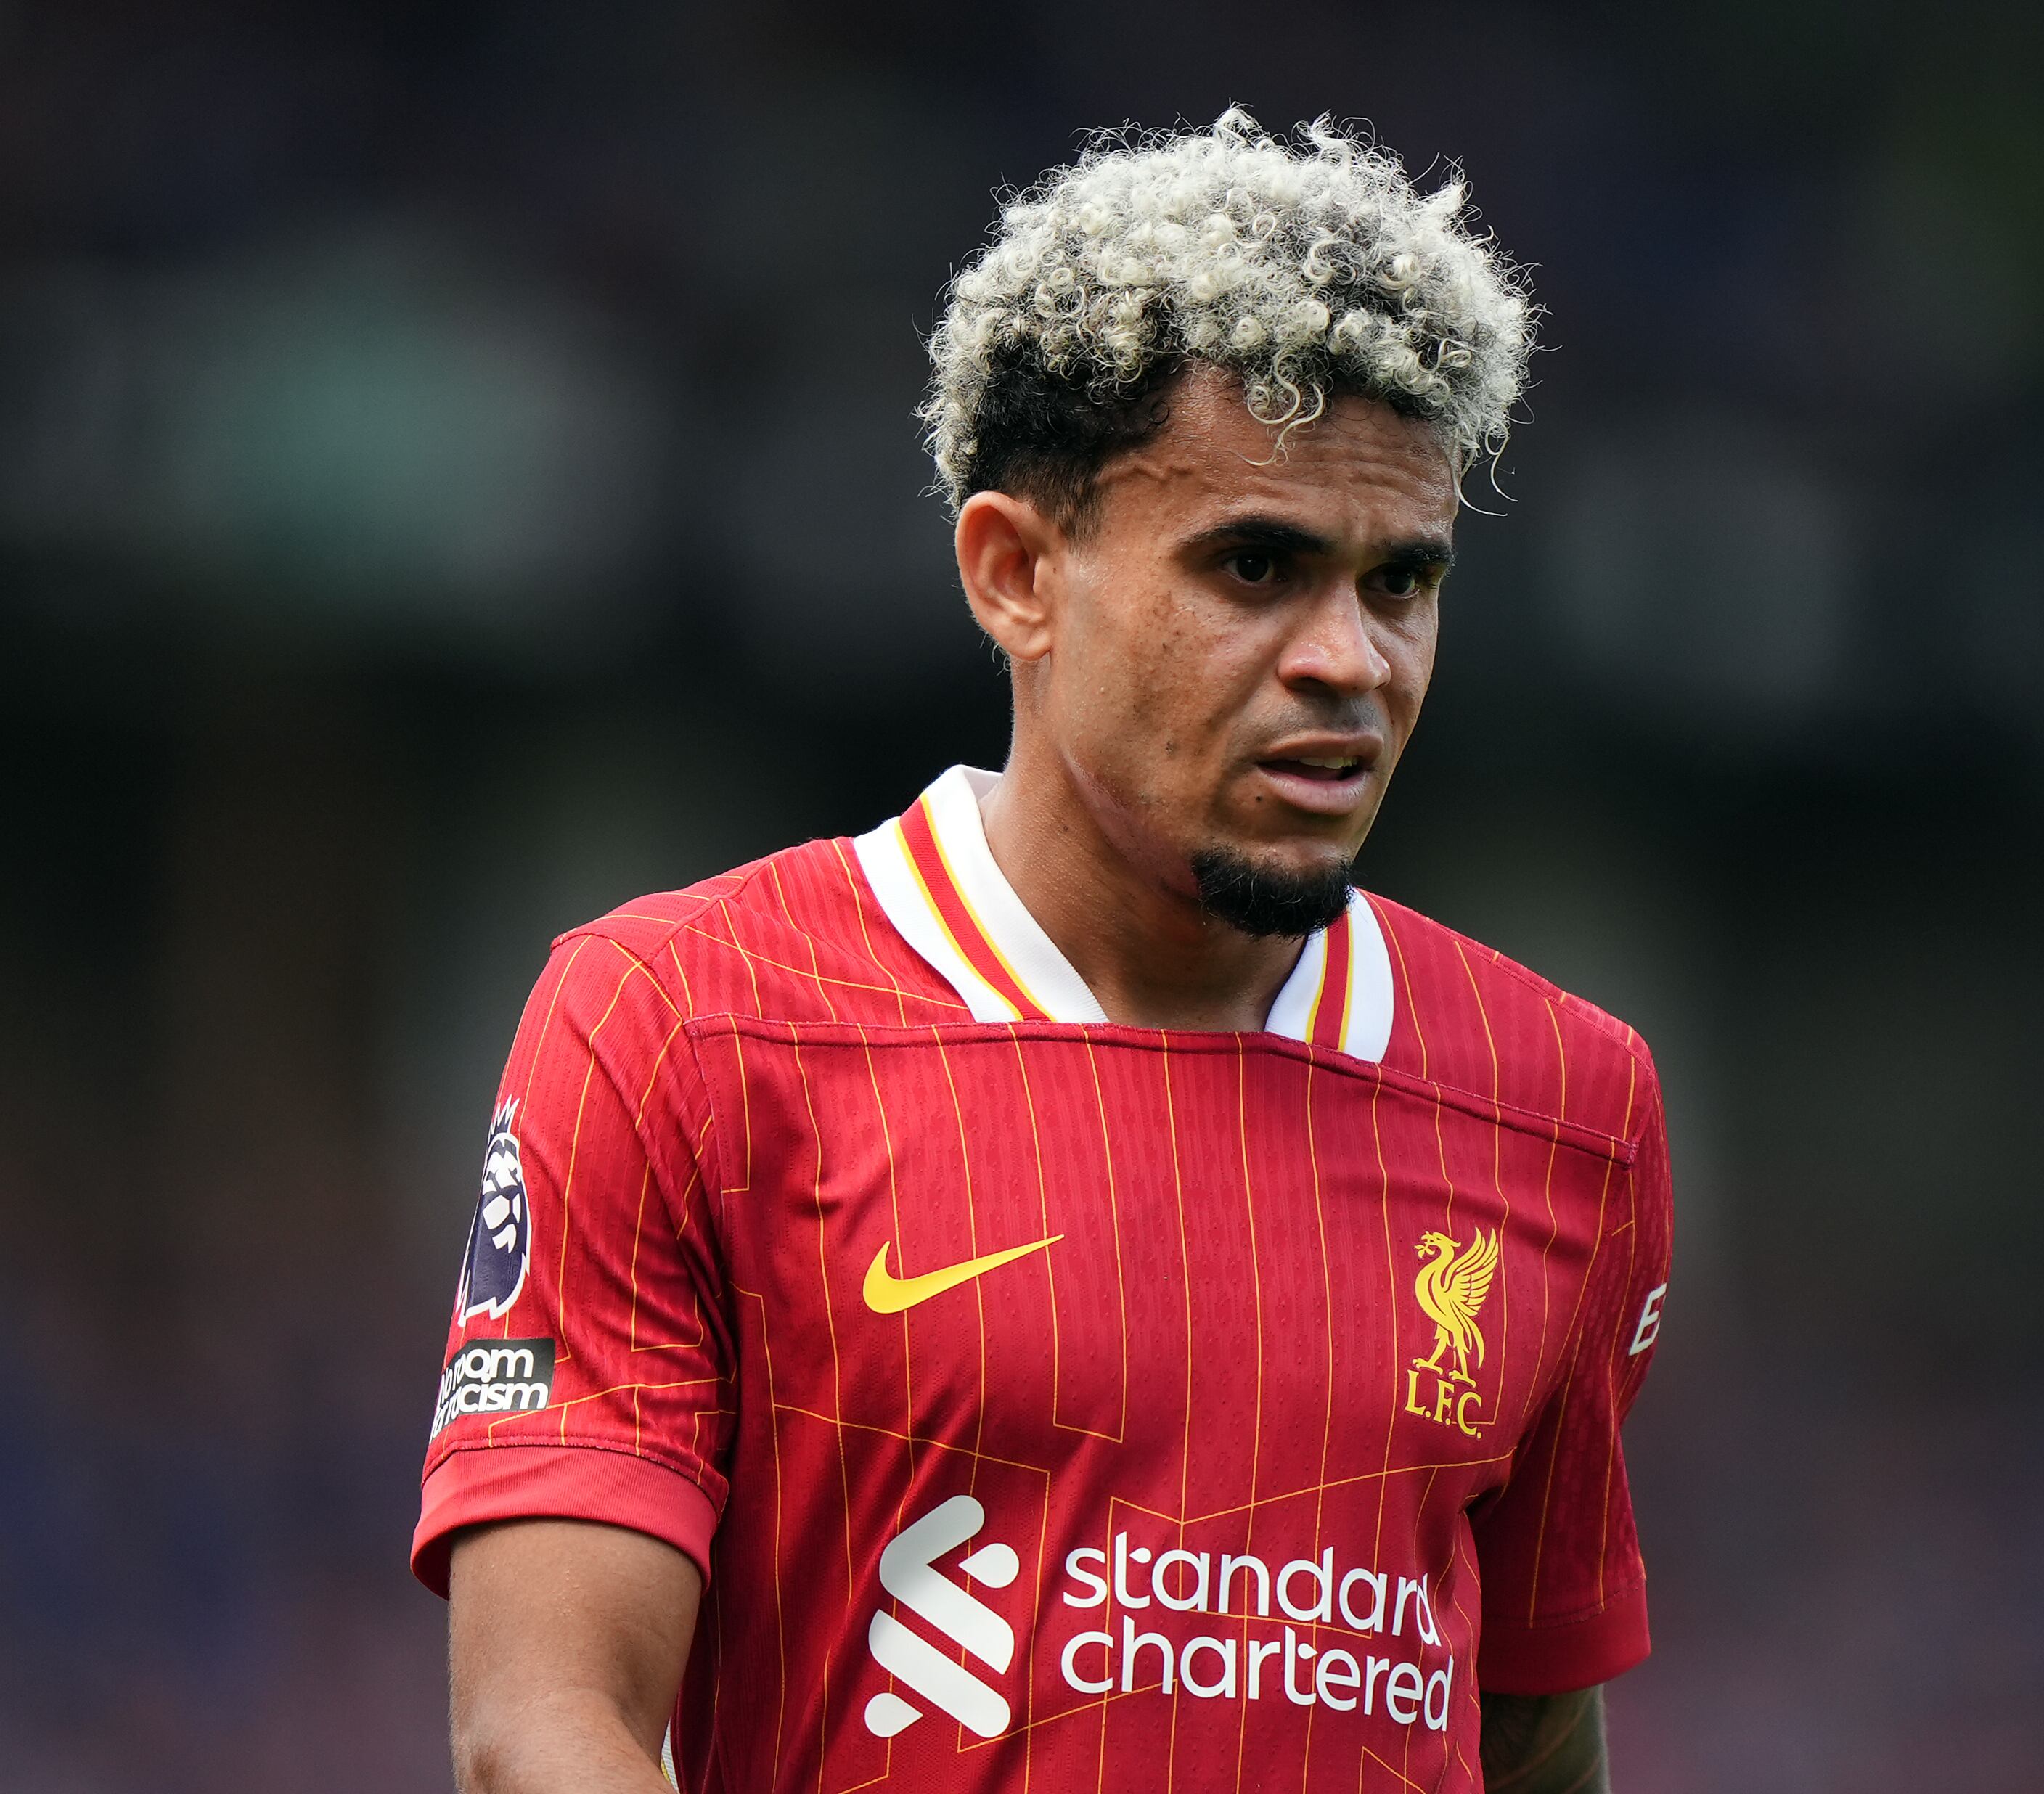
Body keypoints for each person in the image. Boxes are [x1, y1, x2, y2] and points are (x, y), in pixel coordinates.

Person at [416, 107, 1673, 1794]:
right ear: (1015, 572)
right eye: (1255, 565)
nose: (1350, 660)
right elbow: (544, 1728)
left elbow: (1526, 1731)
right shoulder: (683, 1023)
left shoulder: (1565, 1105)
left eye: (1400, 581)